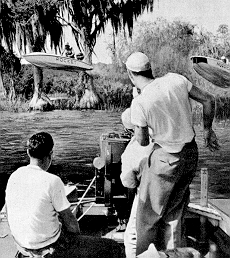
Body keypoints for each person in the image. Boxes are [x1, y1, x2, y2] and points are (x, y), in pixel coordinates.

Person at [125, 52, 220, 256]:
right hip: (190, 153)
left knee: (147, 219)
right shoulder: (176, 79)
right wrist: (207, 130)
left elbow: (142, 141)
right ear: (150, 69)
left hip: (165, 159)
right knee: (174, 215)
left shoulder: (140, 102)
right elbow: (209, 100)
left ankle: (146, 257)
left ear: (131, 75)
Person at [5, 132, 123, 258]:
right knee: (113, 247)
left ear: (28, 153)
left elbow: (8, 211)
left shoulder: (15, 176)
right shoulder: (52, 181)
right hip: (49, 249)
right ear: (50, 154)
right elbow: (72, 225)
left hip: (22, 246)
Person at [120, 108, 154, 258]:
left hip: (147, 194)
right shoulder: (166, 138)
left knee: (132, 236)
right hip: (174, 189)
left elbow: (129, 183)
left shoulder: (132, 150)